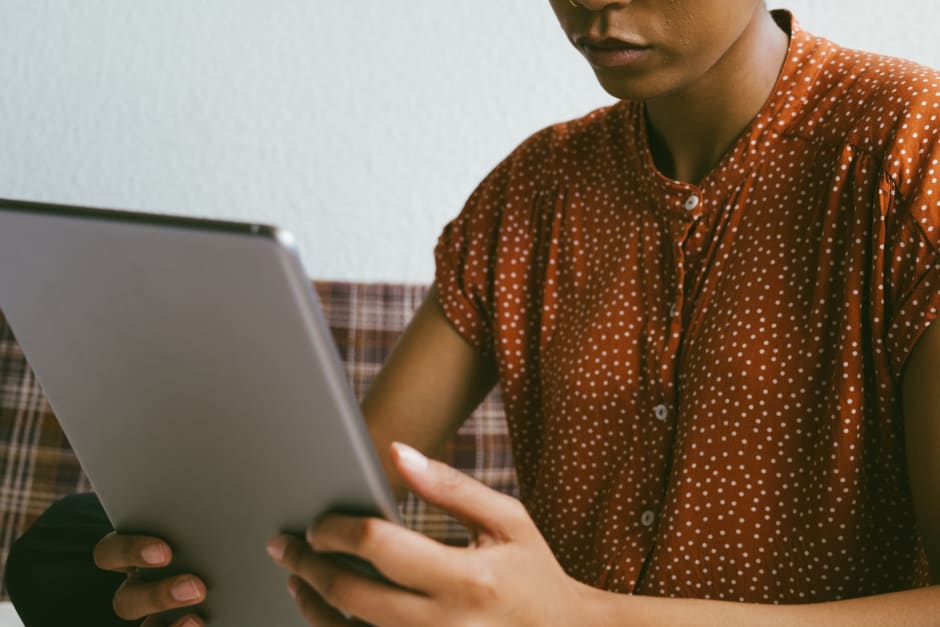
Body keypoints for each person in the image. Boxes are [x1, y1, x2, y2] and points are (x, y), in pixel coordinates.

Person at [7, 0, 940, 624]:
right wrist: (216, 561)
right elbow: (335, 501)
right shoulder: (535, 189)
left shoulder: (913, 151)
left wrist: (589, 616)